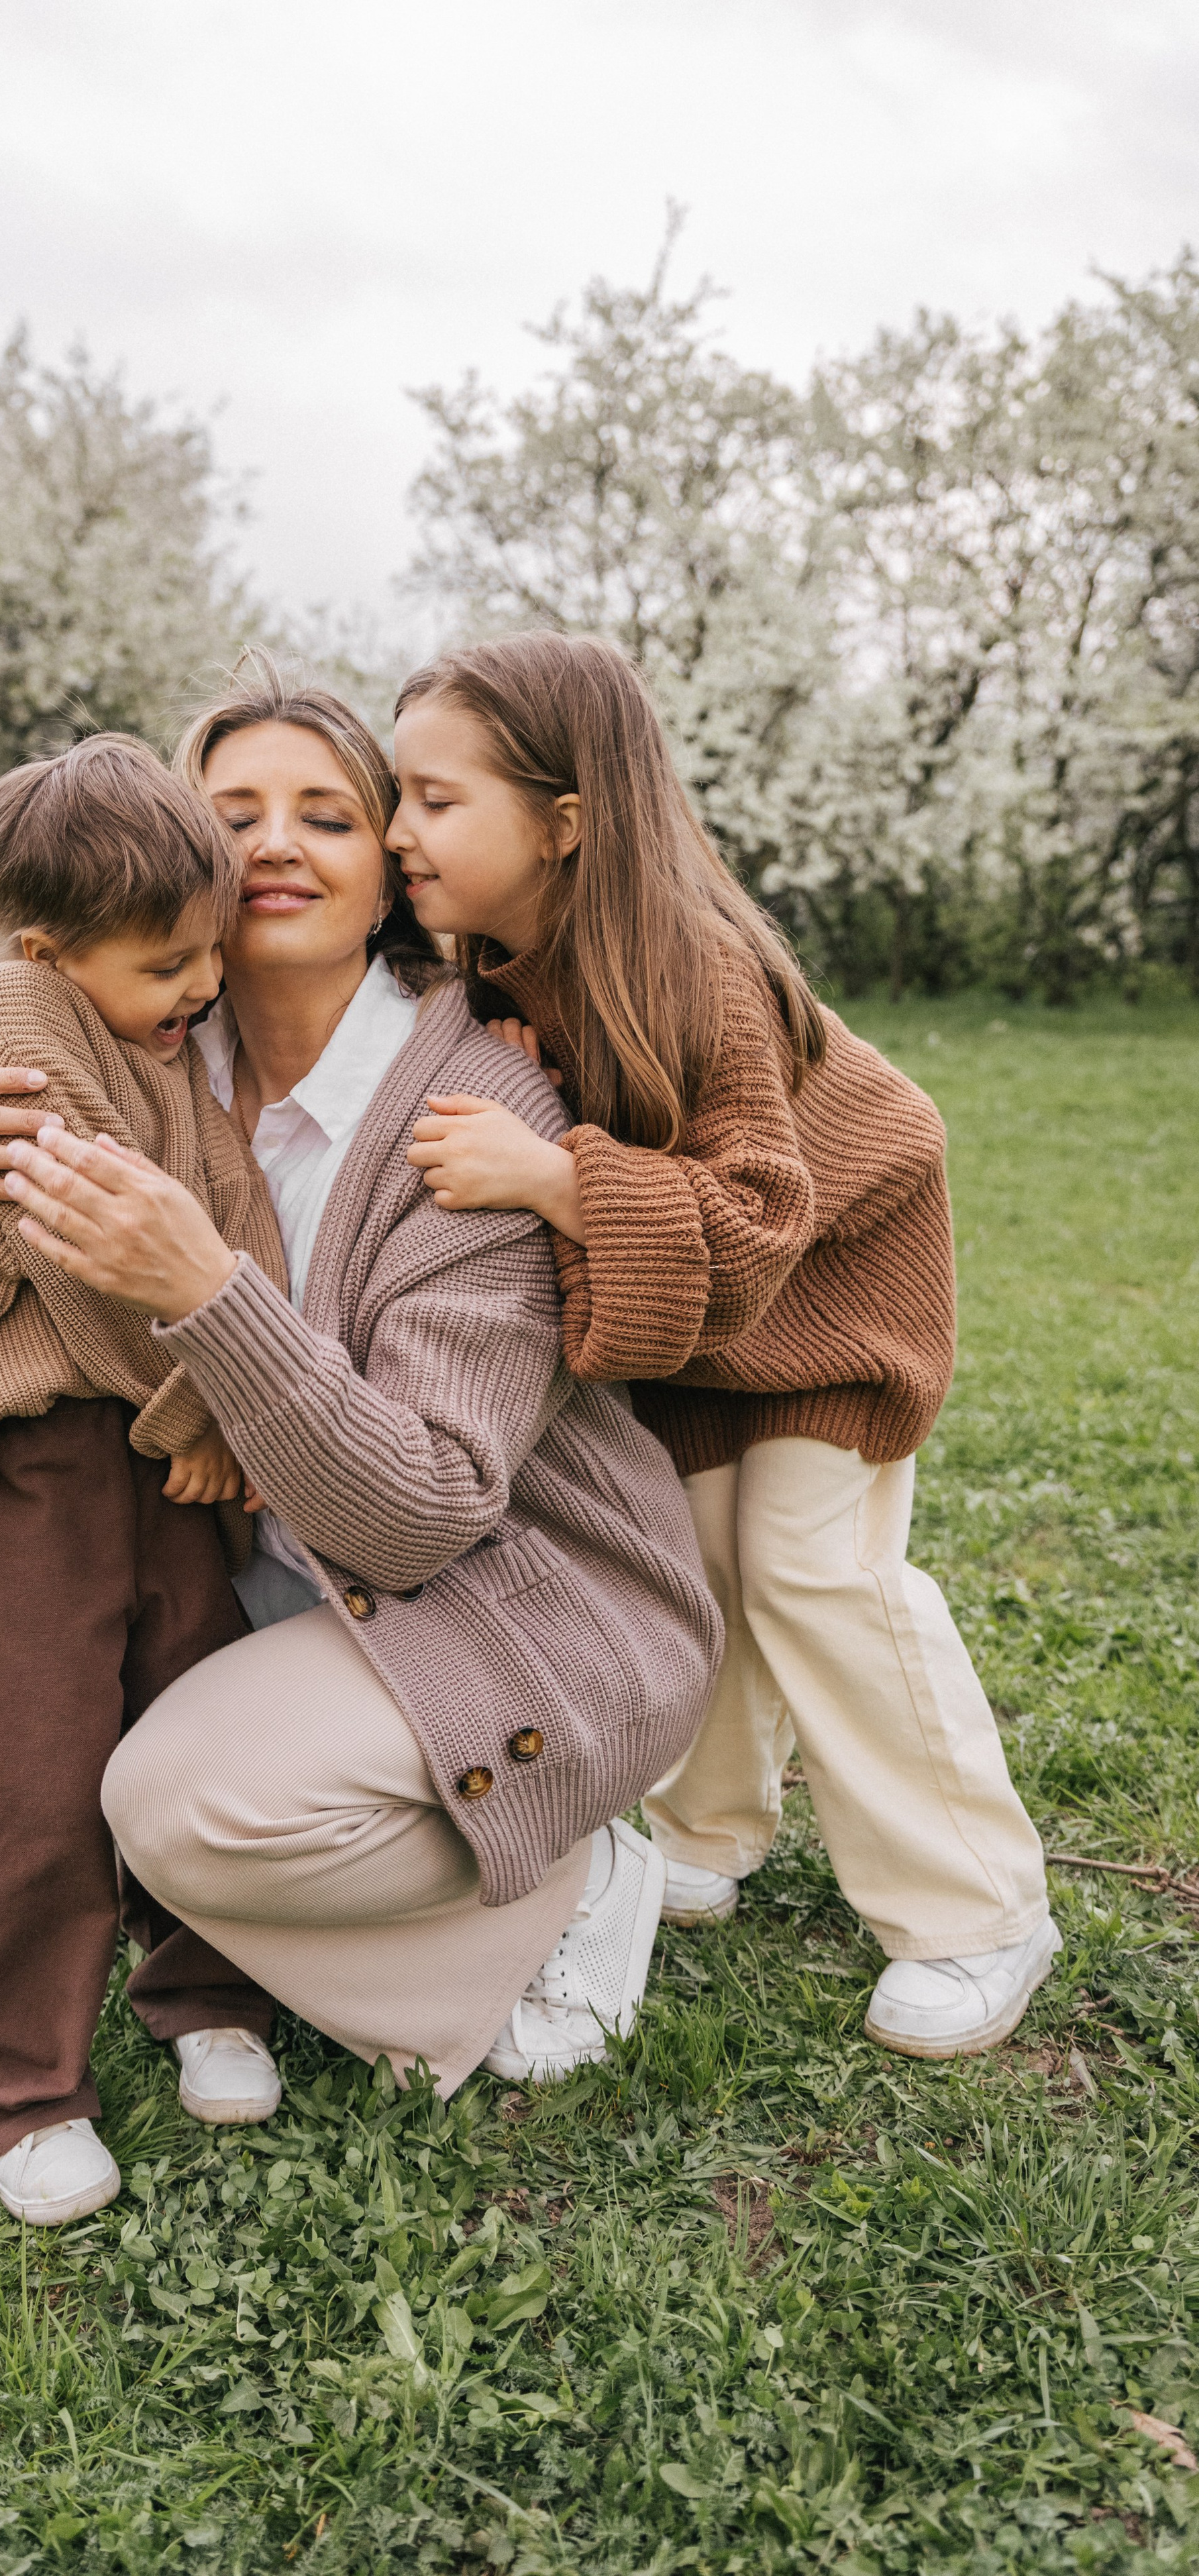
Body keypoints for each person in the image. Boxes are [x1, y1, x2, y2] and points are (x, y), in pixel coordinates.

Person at [0, 663, 723, 2104]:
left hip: (512, 1604)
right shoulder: (125, 1062)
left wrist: (208, 1290)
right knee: (17, 1539)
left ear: (388, 869)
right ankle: (89, 1867)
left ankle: (558, 1883)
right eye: (232, 816)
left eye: (325, 816)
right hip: (251, 1583)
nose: (272, 846)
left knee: (169, 1809)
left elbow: (424, 1513)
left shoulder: (478, 1111)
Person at [386, 631, 1059, 2059]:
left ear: (565, 824)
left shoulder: (688, 958)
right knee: (696, 1563)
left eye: (434, 803)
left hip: (830, 1275)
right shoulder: (486, 967)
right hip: (693, 1316)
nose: (397, 834)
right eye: (395, 797)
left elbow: (761, 1204)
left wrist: (559, 1177)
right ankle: (711, 1823)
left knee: (809, 1569)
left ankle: (976, 1908)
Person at [0, 735, 293, 2231]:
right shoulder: (13, 1015)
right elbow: (82, 1245)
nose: (201, 989)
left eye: (209, 955)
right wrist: (202, 1398)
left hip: (160, 1455)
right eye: (169, 963)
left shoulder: (157, 1040)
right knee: (32, 1775)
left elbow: (224, 1212)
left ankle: (205, 1987)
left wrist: (250, 1367)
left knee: (188, 1708)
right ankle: (15, 2086)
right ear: (48, 951)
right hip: (37, 1456)